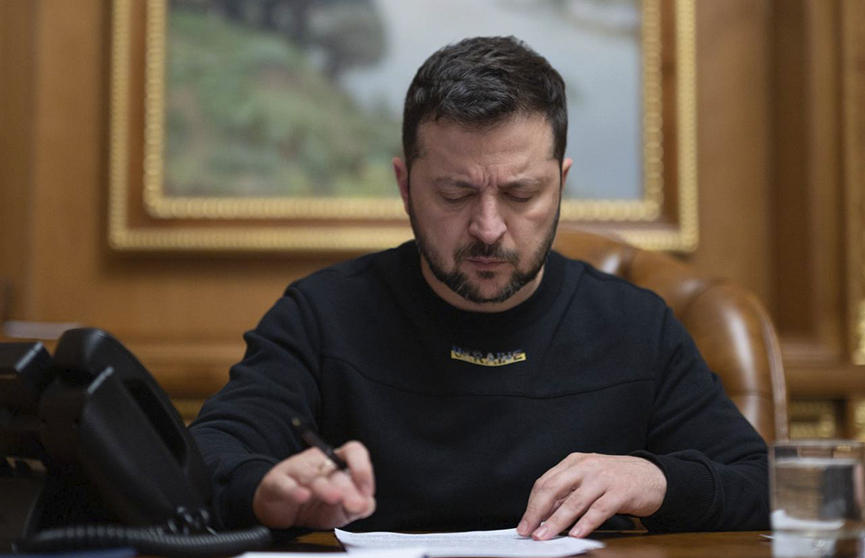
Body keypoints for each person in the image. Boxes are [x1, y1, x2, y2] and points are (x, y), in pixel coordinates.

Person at [189, 36, 769, 539]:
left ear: (560, 184)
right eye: (455, 194)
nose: (488, 228)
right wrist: (265, 491)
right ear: (405, 186)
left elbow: (765, 484)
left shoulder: (636, 326)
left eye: (521, 194)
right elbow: (203, 458)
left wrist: (657, 479)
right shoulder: (322, 316)